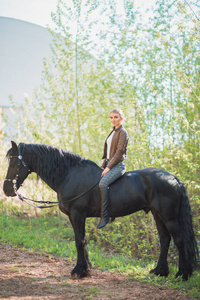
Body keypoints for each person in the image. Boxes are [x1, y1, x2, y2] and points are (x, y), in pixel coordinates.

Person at [97, 108, 129, 229]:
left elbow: (119, 152)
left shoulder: (123, 132)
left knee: (103, 184)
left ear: (121, 118)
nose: (113, 120)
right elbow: (108, 153)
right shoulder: (112, 132)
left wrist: (108, 168)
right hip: (108, 164)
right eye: (111, 117)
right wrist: (103, 166)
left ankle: (105, 216)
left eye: (116, 117)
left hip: (118, 165)